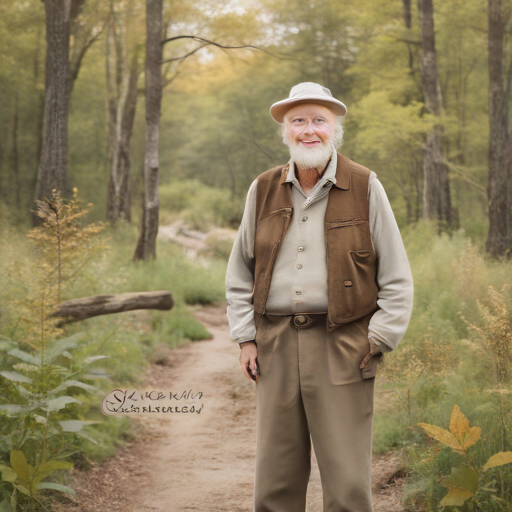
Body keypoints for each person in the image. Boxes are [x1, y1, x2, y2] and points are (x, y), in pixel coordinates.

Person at [225, 82, 414, 512]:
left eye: (318, 120)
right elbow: (239, 273)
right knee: (275, 479)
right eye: (298, 121)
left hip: (343, 343)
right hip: (273, 343)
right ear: (285, 130)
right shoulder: (263, 188)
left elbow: (397, 277)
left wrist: (376, 339)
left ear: (334, 128)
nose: (309, 130)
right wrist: (246, 337)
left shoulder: (365, 185)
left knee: (347, 482)